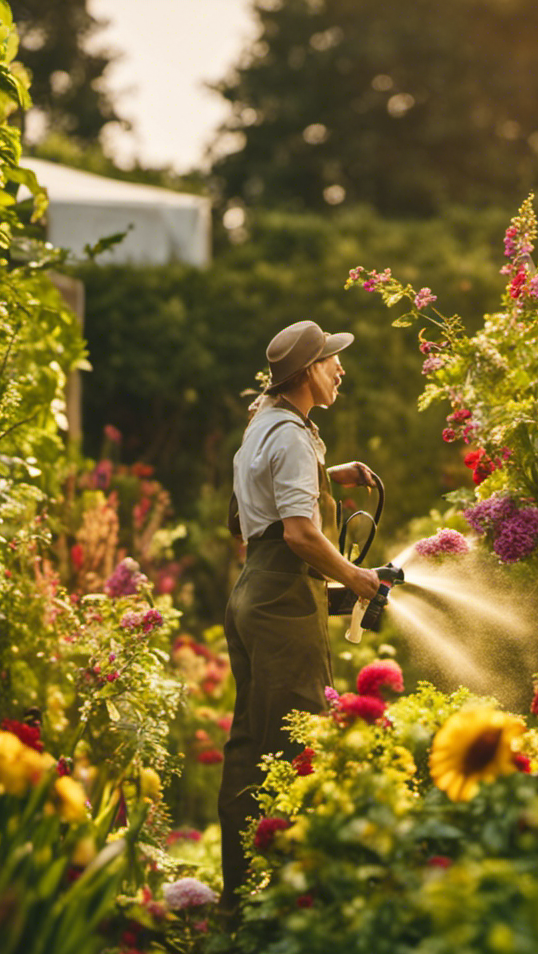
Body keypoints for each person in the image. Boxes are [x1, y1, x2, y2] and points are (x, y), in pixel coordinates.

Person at [218, 319, 380, 910]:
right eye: (332, 359)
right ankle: (293, 901)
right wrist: (357, 578)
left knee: (249, 743)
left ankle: (239, 891)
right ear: (308, 371)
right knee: (299, 741)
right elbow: (301, 534)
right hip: (283, 595)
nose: (341, 368)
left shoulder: (264, 424)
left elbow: (254, 506)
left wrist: (332, 475)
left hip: (252, 590)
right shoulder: (289, 436)